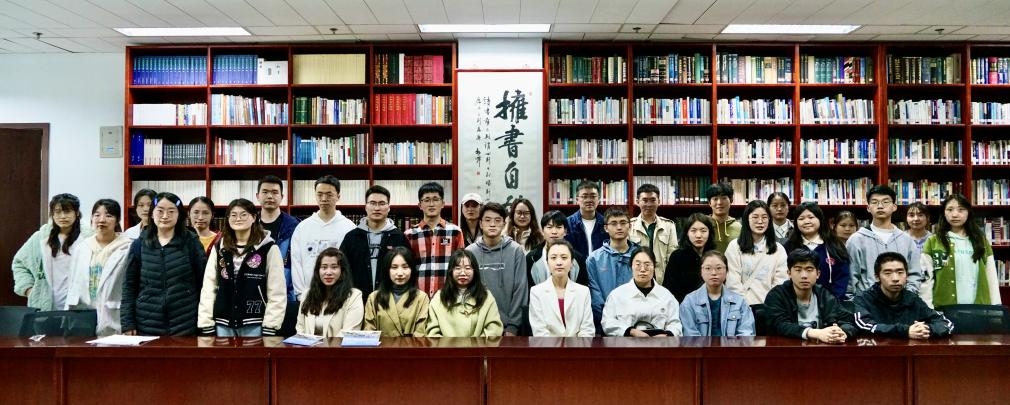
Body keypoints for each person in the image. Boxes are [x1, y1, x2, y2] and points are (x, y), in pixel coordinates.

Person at [121, 192, 207, 336]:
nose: (165, 216)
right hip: (146, 324)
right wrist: (127, 323)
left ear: (179, 215)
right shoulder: (139, 245)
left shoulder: (191, 242)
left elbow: (204, 284)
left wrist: (204, 323)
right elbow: (129, 286)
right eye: (160, 211)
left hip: (186, 323)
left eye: (171, 211)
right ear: (152, 213)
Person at [197, 199, 286, 337]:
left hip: (256, 322)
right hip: (222, 322)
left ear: (254, 217)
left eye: (243, 214)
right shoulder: (219, 248)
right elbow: (209, 287)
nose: (238, 219)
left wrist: (271, 326)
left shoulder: (269, 248)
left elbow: (277, 291)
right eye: (233, 215)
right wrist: (206, 323)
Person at [12, 193, 93, 311]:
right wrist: (29, 289)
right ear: (52, 214)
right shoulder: (40, 238)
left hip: (80, 308)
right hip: (45, 308)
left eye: (67, 211)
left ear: (76, 213)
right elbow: (19, 263)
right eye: (58, 212)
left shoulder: (89, 239)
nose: (63, 216)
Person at [921, 194, 1001, 308]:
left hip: (978, 309)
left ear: (968, 212)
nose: (955, 214)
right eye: (950, 209)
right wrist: (927, 309)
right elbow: (926, 280)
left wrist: (996, 307)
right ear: (944, 213)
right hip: (944, 310)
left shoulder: (980, 241)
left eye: (961, 210)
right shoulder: (933, 241)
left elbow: (991, 277)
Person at [65, 199, 131, 336]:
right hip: (84, 314)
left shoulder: (128, 247)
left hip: (114, 313)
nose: (102, 220)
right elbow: (73, 283)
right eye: (97, 215)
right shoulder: (82, 248)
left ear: (118, 220)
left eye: (109, 215)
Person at [853, 252, 953, 339]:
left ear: (907, 275)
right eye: (888, 273)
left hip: (908, 352)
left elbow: (946, 323)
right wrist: (905, 331)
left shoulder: (912, 299)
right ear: (877, 277)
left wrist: (926, 330)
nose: (895, 278)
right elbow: (864, 326)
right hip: (875, 352)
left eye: (900, 272)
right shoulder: (863, 299)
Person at [765, 249, 856, 343]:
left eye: (809, 270)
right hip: (786, 348)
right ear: (789, 273)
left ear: (818, 274)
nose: (804, 276)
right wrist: (815, 333)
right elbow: (779, 325)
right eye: (798, 270)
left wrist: (842, 332)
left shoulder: (825, 296)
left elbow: (848, 320)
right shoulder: (776, 295)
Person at [846, 184, 922, 298]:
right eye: (875, 202)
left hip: (901, 303)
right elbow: (850, 278)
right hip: (867, 303)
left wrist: (907, 298)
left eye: (885, 202)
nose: (880, 206)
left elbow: (915, 274)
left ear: (894, 207)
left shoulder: (906, 240)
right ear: (868, 208)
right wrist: (856, 302)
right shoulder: (856, 240)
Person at [466, 202, 528, 336]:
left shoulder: (516, 251)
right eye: (487, 220)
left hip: (508, 329)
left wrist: (512, 327)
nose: (492, 224)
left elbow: (521, 290)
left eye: (497, 220)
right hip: (476, 327)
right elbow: (465, 290)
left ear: (504, 223)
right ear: (480, 224)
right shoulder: (470, 252)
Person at [290, 175, 355, 301]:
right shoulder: (302, 227)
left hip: (341, 296)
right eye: (319, 194)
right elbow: (296, 262)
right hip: (309, 297)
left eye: (329, 194)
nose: (324, 199)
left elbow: (352, 265)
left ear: (338, 196)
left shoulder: (349, 228)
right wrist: (301, 294)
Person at [341, 185, 409, 300]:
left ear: (388, 207)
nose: (377, 208)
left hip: (391, 300)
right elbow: (342, 269)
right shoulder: (351, 237)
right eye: (372, 203)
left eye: (382, 203)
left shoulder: (398, 237)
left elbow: (407, 269)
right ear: (366, 207)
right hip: (356, 300)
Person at [601, 248, 682, 337]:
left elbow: (675, 324)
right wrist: (631, 331)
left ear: (654, 267)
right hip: (626, 344)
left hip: (660, 344)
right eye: (638, 265)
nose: (643, 269)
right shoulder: (617, 295)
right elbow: (607, 322)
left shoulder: (666, 296)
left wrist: (667, 335)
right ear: (631, 266)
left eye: (647, 265)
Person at [404, 182, 465, 297]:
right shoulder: (410, 235)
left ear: (443, 204)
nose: (431, 204)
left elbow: (461, 265)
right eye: (426, 200)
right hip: (417, 296)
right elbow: (405, 267)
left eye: (436, 199)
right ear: (420, 205)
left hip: (448, 295)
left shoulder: (455, 232)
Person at [426, 249, 503, 337]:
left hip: (479, 346)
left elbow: (494, 330)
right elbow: (432, 333)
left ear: (475, 271)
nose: (463, 273)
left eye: (467, 268)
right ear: (451, 271)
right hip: (447, 346)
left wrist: (474, 344)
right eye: (458, 268)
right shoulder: (439, 298)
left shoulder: (486, 297)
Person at [587, 206, 640, 335]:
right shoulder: (594, 259)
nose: (619, 227)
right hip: (605, 324)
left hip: (637, 323)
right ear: (606, 228)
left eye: (623, 222)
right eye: (614, 223)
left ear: (630, 226)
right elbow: (595, 297)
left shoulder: (640, 255)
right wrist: (610, 321)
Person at [725, 200, 788, 306]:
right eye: (755, 217)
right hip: (741, 307)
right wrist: (745, 307)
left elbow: (780, 283)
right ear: (746, 219)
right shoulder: (734, 247)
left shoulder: (779, 250)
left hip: (769, 308)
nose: (760, 221)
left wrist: (768, 306)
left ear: (769, 220)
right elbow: (732, 283)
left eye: (764, 217)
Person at [784, 202, 851, 301]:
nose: (807, 221)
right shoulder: (789, 247)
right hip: (795, 302)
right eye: (801, 219)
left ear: (820, 219)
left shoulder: (835, 245)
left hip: (831, 303)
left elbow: (842, 276)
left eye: (811, 217)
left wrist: (832, 302)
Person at [680, 250, 756, 337]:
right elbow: (690, 336)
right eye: (708, 268)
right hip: (699, 346)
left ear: (726, 271)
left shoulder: (739, 301)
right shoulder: (689, 302)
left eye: (719, 268)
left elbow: (746, 334)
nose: (714, 273)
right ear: (701, 271)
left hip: (732, 346)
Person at [528, 240, 594, 337]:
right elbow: (539, 331)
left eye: (564, 258)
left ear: (572, 262)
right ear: (547, 263)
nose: (559, 262)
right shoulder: (536, 292)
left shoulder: (583, 292)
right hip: (547, 346)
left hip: (578, 345)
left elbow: (587, 330)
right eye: (553, 258)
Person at [296, 247, 363, 337]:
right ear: (318, 271)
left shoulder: (354, 296)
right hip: (308, 346)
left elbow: (349, 333)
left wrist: (327, 346)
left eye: (334, 267)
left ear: (342, 271)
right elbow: (300, 329)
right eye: (324, 267)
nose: (328, 272)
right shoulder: (306, 295)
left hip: (338, 346)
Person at [363, 247, 429, 336]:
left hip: (412, 345)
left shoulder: (421, 298)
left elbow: (420, 334)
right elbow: (369, 332)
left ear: (412, 270)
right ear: (387, 270)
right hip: (381, 345)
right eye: (394, 267)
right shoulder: (374, 297)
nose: (400, 273)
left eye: (405, 267)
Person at [256, 175, 301, 303]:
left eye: (275, 192)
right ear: (257, 196)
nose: (270, 196)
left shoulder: (295, 227)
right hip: (254, 293)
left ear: (282, 196)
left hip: (287, 294)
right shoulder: (249, 226)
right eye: (265, 192)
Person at [629, 183, 678, 284]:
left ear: (659, 201)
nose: (649, 204)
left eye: (652, 200)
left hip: (662, 280)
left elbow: (672, 256)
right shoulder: (630, 226)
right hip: (637, 279)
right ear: (637, 202)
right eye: (645, 200)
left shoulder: (669, 226)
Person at [663, 213, 716, 303]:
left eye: (703, 231)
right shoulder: (677, 257)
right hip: (683, 306)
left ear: (709, 232)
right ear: (687, 233)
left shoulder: (714, 256)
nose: (698, 235)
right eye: (693, 231)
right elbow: (669, 290)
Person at [527, 210, 589, 287]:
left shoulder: (578, 259)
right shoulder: (531, 258)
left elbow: (582, 288)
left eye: (559, 227)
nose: (554, 232)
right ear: (542, 231)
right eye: (549, 227)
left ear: (565, 231)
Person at [565, 180, 607, 259]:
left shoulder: (606, 223)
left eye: (593, 196)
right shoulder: (567, 223)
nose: (589, 200)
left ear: (598, 199)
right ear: (577, 200)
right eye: (584, 196)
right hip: (576, 265)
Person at [706, 182, 741, 253]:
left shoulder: (739, 228)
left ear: (731, 200)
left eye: (724, 198)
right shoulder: (703, 225)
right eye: (715, 199)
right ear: (709, 203)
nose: (719, 202)